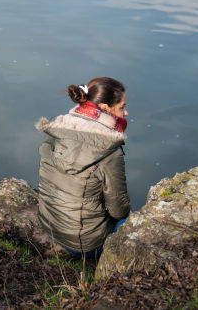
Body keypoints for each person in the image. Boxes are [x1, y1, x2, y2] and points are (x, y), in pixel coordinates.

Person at [36, 77, 130, 260]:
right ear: (104, 109)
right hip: (84, 244)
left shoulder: (58, 128)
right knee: (129, 222)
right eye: (121, 107)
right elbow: (118, 210)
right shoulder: (109, 150)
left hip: (49, 226)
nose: (125, 113)